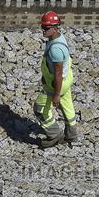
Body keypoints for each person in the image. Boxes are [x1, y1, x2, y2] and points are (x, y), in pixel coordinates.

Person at [34, 11, 79, 149]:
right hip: (67, 80)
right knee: (68, 107)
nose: (43, 30)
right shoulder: (59, 38)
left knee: (40, 109)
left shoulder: (55, 49)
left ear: (55, 28)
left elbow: (58, 74)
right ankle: (71, 135)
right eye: (43, 27)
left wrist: (56, 94)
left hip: (56, 84)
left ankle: (54, 135)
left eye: (46, 28)